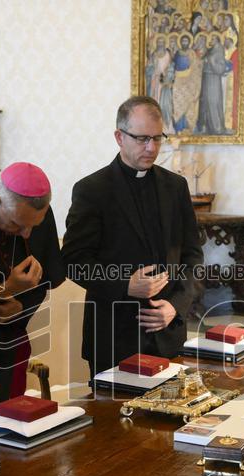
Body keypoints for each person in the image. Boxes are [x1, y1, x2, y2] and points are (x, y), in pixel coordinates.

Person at [62, 95, 204, 376]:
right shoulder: (92, 190)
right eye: (141, 139)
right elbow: (73, 261)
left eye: (157, 138)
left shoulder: (175, 187)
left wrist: (175, 307)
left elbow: (193, 256)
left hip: (169, 336)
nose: (151, 148)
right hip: (114, 339)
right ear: (119, 137)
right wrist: (124, 284)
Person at [0, 161, 65, 414]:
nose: (27, 234)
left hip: (11, 342)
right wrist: (6, 290)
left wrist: (21, 306)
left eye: (33, 226)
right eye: (17, 224)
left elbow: (48, 277)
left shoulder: (34, 210)